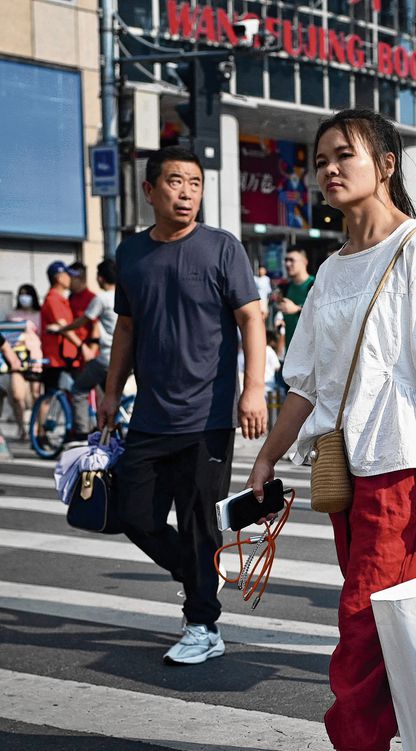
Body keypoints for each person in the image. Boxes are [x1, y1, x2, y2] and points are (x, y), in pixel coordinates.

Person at [246, 109, 416, 751]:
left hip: (407, 467)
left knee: (362, 624)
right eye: (319, 160)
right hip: (347, 473)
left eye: (345, 154)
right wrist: (268, 454)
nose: (329, 169)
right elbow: (305, 384)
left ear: (386, 163)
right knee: (385, 624)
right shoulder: (333, 269)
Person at [97, 146, 267, 665]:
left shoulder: (221, 248)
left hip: (207, 416)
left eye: (194, 182)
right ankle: (198, 575)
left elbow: (251, 319)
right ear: (150, 190)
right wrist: (110, 390)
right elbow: (126, 328)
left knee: (198, 522)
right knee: (132, 513)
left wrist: (253, 388)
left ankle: (203, 625)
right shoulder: (131, 254)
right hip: (150, 414)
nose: (186, 191)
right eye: (175, 181)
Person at [52, 260, 119, 439]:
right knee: (109, 394)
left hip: (107, 357)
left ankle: (81, 432)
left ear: (100, 278)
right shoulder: (125, 295)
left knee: (79, 389)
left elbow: (84, 320)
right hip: (126, 358)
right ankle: (109, 431)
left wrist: (61, 329)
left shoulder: (101, 298)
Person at [4, 284, 42, 438]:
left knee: (36, 394)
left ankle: (36, 427)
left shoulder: (40, 314)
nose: (24, 297)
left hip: (35, 358)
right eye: (21, 294)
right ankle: (22, 428)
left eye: (27, 294)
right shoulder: (12, 315)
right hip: (16, 358)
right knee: (16, 395)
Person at [39, 261, 81, 394]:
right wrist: (82, 346)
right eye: (67, 275)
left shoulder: (62, 299)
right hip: (56, 359)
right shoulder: (53, 299)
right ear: (59, 278)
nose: (70, 278)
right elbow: (64, 327)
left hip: (66, 357)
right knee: (50, 396)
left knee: (68, 395)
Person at [277, 247, 315, 351]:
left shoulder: (315, 285)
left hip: (310, 355)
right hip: (289, 353)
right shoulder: (285, 288)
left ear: (304, 262)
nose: (287, 264)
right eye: (286, 260)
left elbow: (322, 315)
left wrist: (297, 309)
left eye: (292, 260)